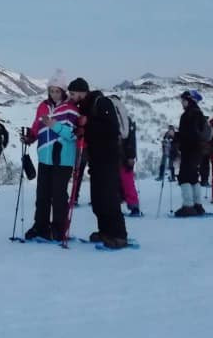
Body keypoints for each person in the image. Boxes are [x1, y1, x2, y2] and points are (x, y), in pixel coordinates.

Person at [68, 78, 128, 248]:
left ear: (81, 91)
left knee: (109, 198)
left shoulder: (102, 102)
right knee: (98, 198)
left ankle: (119, 235)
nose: (71, 97)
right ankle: (104, 231)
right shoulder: (86, 106)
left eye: (73, 93)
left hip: (108, 158)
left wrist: (88, 125)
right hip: (96, 158)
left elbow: (111, 129)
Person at [21, 71, 79, 240]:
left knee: (59, 196)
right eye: (51, 90)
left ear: (63, 91)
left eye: (57, 91)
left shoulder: (71, 109)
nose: (54, 94)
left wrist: (53, 125)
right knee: (42, 195)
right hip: (45, 157)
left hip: (63, 159)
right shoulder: (43, 106)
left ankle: (59, 229)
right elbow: (37, 125)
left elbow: (73, 135)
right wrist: (30, 137)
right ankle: (40, 226)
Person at [175, 90, 208, 216]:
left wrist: (176, 136)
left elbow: (189, 134)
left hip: (189, 149)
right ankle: (197, 205)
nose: (182, 102)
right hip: (197, 150)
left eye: (183, 100)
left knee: (184, 177)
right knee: (194, 176)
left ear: (190, 100)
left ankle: (188, 206)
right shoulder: (199, 113)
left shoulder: (188, 115)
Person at [118, 109, 141, 216]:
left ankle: (134, 206)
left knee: (127, 182)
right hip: (121, 157)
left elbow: (131, 141)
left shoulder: (126, 122)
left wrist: (131, 156)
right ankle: (131, 206)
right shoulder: (125, 121)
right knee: (122, 182)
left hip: (124, 157)